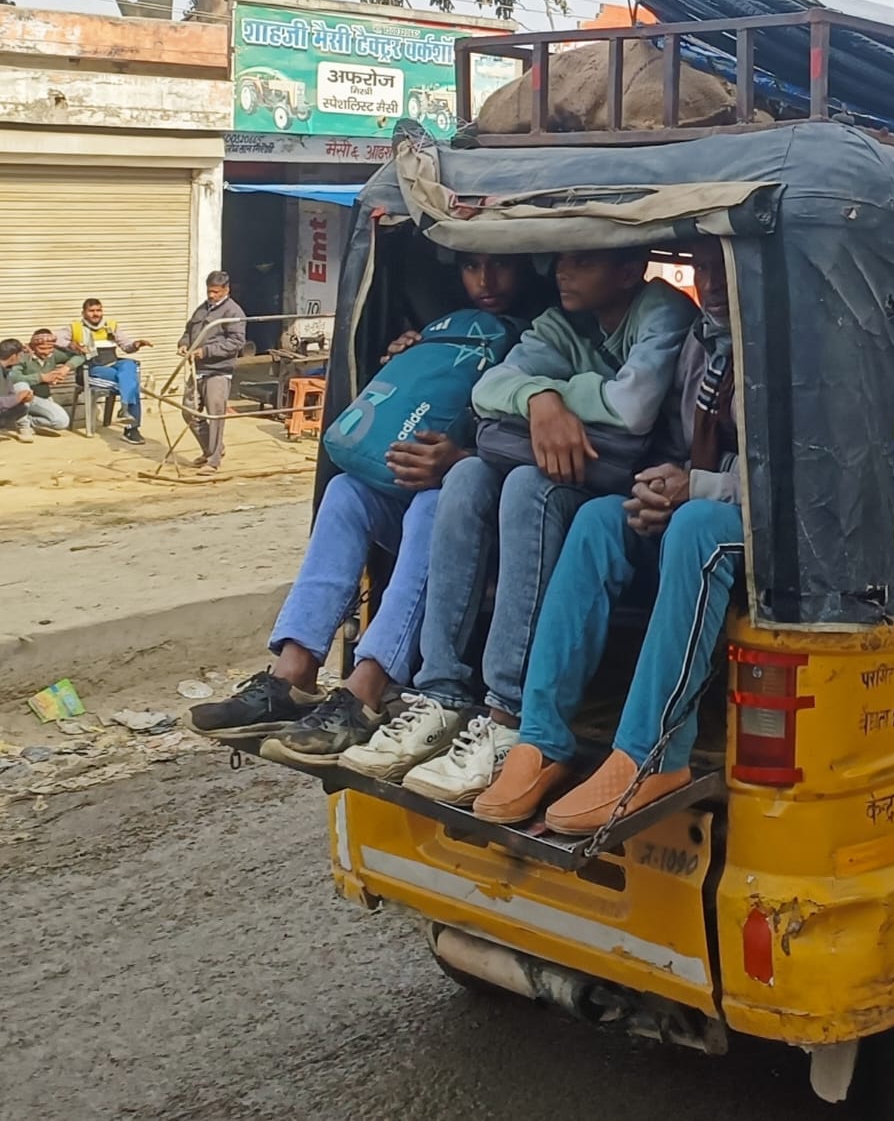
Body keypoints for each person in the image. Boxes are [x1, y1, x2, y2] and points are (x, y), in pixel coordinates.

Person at [327, 249, 699, 786]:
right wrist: (540, 400)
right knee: (466, 475)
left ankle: (507, 715)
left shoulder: (662, 309)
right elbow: (488, 389)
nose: (563, 272)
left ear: (627, 271)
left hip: (639, 487)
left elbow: (632, 407)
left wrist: (555, 400)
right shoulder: (562, 321)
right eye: (561, 261)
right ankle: (441, 696)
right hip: (576, 471)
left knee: (526, 484)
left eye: (583, 262)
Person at [188, 252, 538, 746]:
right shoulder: (450, 327)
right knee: (346, 491)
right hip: (426, 496)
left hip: (505, 521)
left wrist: (463, 458)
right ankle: (294, 673)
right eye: (470, 266)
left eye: (501, 265)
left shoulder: (544, 338)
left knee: (433, 505)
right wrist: (412, 363)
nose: (485, 280)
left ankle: (366, 689)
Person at [468, 238, 737, 827]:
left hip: (765, 522)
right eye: (703, 266)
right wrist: (660, 487)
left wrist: (696, 489)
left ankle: (653, 753)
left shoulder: (784, 345)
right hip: (696, 492)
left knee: (698, 525)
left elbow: (799, 478)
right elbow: (673, 442)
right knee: (599, 518)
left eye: (728, 267)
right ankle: (542, 738)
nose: (713, 283)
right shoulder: (704, 342)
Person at [179, 271, 249, 474]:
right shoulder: (203, 308)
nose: (212, 295)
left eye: (216, 292)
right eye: (209, 291)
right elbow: (189, 330)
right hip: (197, 370)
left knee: (215, 415)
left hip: (218, 371)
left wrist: (206, 351)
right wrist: (184, 343)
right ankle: (211, 449)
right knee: (189, 411)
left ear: (226, 290)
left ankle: (213, 461)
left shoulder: (233, 312)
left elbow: (236, 342)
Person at [56, 298, 151, 445]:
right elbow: (55, 340)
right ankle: (131, 428)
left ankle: (126, 411)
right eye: (91, 311)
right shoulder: (74, 328)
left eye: (98, 310)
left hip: (112, 365)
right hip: (91, 369)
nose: (96, 314)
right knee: (132, 384)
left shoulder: (111, 326)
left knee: (129, 365)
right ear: (83, 313)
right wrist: (71, 344)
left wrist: (137, 344)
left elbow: (126, 346)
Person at [7, 329, 77, 438]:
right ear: (33, 346)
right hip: (20, 398)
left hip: (40, 399)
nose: (46, 352)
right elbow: (13, 377)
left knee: (61, 422)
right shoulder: (21, 356)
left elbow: (80, 356)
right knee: (21, 385)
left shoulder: (53, 354)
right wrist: (41, 378)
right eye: (42, 348)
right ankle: (23, 427)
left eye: (50, 348)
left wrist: (65, 368)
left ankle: (28, 421)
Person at [0, 340, 36, 438]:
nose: (22, 357)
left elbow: (10, 394)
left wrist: (23, 399)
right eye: (20, 354)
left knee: (23, 393)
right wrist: (17, 398)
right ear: (13, 356)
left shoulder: (6, 370)